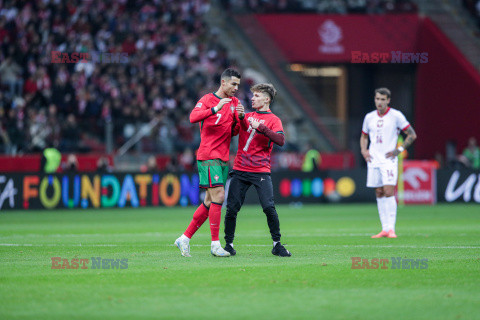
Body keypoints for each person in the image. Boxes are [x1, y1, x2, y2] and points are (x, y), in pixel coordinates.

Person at [174, 68, 243, 257]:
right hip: (208, 155)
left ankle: (184, 238)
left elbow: (234, 131)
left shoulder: (235, 103)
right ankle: (214, 245)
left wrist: (240, 118)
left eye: (238, 85)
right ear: (223, 82)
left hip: (223, 157)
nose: (236, 88)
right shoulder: (207, 100)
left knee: (209, 201)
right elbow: (192, 117)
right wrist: (215, 108)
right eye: (233, 84)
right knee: (220, 195)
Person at [223, 83, 291, 257]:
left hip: (260, 170)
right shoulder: (247, 116)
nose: (252, 98)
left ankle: (277, 244)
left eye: (257, 96)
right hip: (240, 168)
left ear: (267, 99)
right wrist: (238, 117)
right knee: (231, 208)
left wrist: (260, 127)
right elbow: (234, 130)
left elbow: (281, 141)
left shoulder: (274, 120)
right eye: (252, 96)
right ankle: (228, 245)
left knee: (269, 207)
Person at [360, 87, 417, 238]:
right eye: (377, 99)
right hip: (373, 160)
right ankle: (384, 228)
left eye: (383, 99)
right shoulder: (369, 117)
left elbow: (412, 134)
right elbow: (364, 136)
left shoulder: (396, 116)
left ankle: (391, 229)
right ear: (374, 99)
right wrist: (364, 151)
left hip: (389, 160)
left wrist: (399, 150)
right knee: (378, 192)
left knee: (389, 191)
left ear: (388, 100)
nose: (379, 102)